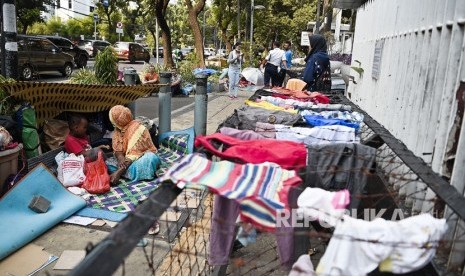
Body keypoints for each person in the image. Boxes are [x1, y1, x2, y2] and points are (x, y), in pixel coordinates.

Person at [108, 105, 161, 185]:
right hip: (126, 161)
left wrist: (118, 173)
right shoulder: (118, 129)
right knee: (107, 162)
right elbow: (117, 149)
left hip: (139, 157)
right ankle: (131, 173)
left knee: (150, 158)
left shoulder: (138, 129)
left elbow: (134, 154)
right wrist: (120, 157)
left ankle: (124, 174)